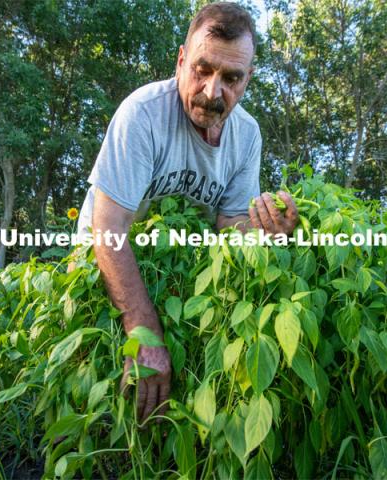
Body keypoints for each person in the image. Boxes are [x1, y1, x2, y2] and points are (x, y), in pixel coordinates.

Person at [77, 2, 299, 423]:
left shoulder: (247, 136)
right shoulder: (143, 114)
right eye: (202, 69)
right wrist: (144, 333)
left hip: (173, 280)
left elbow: (229, 227)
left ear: (248, 80)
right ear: (181, 61)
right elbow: (108, 230)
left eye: (231, 78)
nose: (213, 92)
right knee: (100, 406)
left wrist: (268, 231)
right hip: (105, 269)